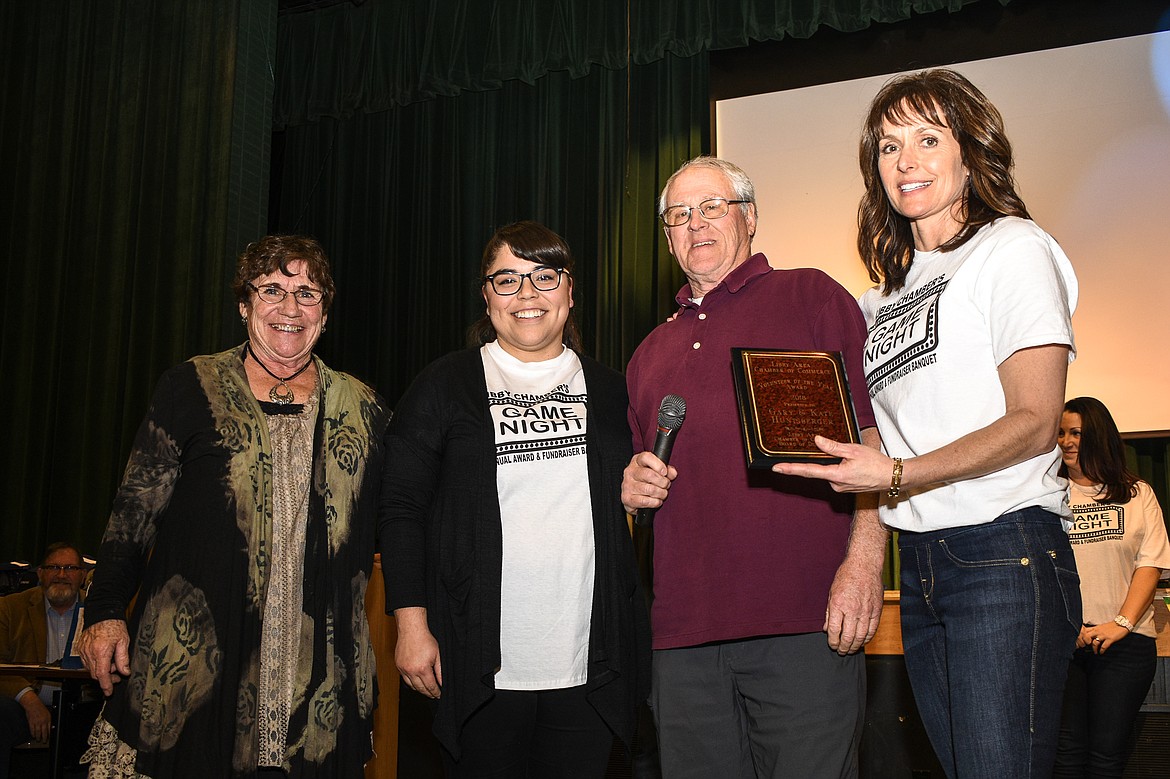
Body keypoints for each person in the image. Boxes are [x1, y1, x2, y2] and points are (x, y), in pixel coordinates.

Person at [773, 69, 1082, 778]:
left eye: (926, 139)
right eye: (887, 146)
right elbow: (881, 442)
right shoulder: (882, 295)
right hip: (923, 564)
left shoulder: (1012, 247)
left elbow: (1036, 421)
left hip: (1007, 549)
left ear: (969, 153)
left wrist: (900, 475)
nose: (905, 161)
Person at [75, 235, 390, 778]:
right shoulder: (188, 388)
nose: (290, 308)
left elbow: (401, 521)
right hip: (194, 668)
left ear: (325, 313)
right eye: (271, 290)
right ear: (244, 306)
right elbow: (133, 513)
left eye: (307, 294)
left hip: (320, 676)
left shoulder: (364, 408)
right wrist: (105, 612)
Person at [620, 156, 886, 779]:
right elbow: (638, 483)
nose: (696, 225)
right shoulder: (647, 353)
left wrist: (865, 561)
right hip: (681, 641)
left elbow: (871, 443)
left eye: (712, 207)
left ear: (750, 218)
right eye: (679, 216)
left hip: (804, 623)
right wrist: (630, 490)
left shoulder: (811, 295)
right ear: (667, 236)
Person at [381, 220, 650, 776]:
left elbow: (636, 504)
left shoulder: (613, 392)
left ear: (570, 292)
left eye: (543, 277)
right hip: (475, 664)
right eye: (507, 280)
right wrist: (410, 624)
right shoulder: (443, 385)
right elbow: (401, 507)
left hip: (588, 666)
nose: (526, 294)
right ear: (486, 295)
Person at [1054, 397, 1170, 778]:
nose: (1066, 441)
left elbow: (1149, 565)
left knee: (1106, 759)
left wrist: (1120, 623)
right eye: (1061, 433)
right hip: (1064, 643)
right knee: (1065, 757)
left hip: (1126, 643)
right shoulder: (1046, 497)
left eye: (1076, 433)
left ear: (1098, 436)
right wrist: (1070, 630)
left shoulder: (1138, 494)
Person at [0, 542, 89, 778]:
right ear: (40, 573)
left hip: (81, 708)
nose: (61, 575)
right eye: (53, 567)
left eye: (70, 568)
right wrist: (29, 700)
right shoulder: (10, 607)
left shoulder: (98, 612)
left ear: (83, 576)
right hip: (23, 705)